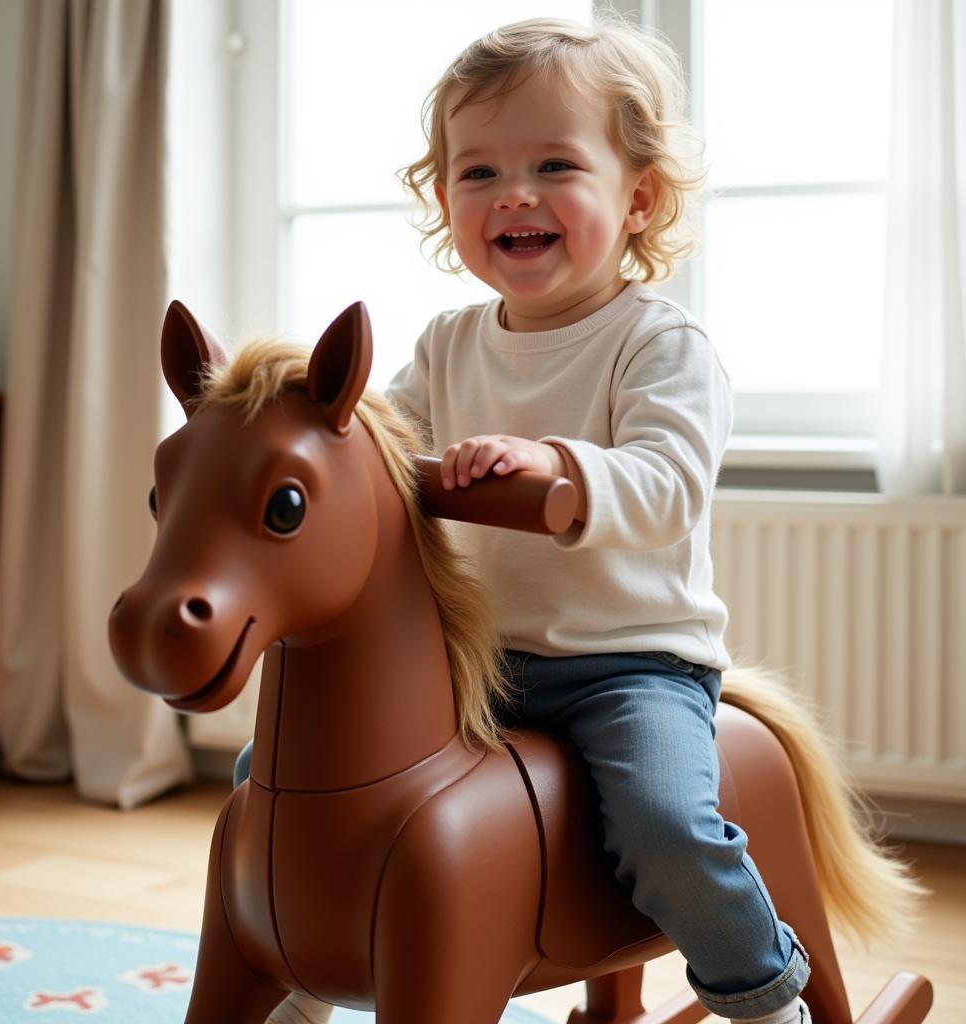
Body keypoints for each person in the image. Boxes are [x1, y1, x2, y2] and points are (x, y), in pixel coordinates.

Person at [243, 15, 809, 1024]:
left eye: (554, 164)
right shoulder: (450, 344)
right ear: (444, 197)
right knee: (278, 772)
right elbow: (369, 455)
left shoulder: (659, 344)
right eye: (477, 172)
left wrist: (555, 465)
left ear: (637, 199)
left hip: (626, 661)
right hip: (474, 661)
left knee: (665, 823)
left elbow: (666, 482)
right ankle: (304, 978)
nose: (513, 194)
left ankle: (761, 993)